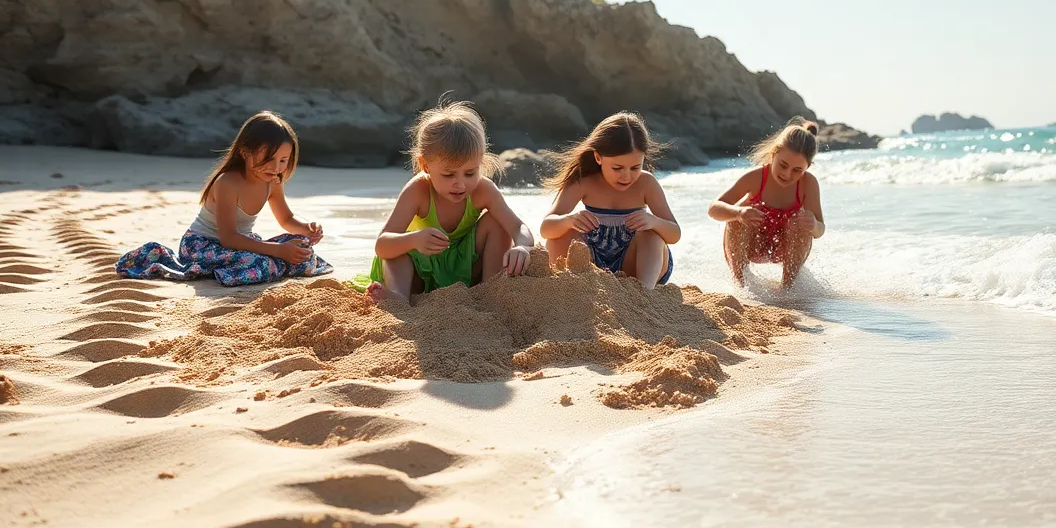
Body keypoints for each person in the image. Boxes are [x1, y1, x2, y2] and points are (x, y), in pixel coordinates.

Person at [116, 111, 332, 286]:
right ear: (245, 152)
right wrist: (277, 250)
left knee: (302, 247)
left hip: (242, 244)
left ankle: (270, 262)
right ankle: (250, 267)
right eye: (268, 158)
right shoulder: (227, 183)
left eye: (283, 160)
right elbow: (229, 238)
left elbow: (286, 219)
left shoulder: (273, 181)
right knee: (262, 262)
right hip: (203, 245)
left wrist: (307, 229)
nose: (276, 167)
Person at [359, 102, 535, 303]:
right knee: (397, 248)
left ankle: (490, 290)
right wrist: (414, 240)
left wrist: (522, 246)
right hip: (421, 274)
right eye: (448, 174)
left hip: (464, 267)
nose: (460, 184)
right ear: (425, 165)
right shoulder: (418, 191)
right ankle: (398, 298)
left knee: (497, 222)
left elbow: (518, 226)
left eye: (470, 173)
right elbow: (382, 245)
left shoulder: (483, 190)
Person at [539, 112, 680, 290]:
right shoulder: (583, 182)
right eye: (617, 168)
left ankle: (645, 293)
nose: (626, 176)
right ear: (598, 157)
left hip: (637, 264)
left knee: (651, 235)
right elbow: (546, 229)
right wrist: (569, 220)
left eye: (635, 167)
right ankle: (571, 286)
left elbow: (674, 233)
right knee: (561, 233)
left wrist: (653, 221)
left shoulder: (647, 183)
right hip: (592, 262)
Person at [709, 117, 825, 288]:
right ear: (773, 154)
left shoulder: (808, 184)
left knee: (801, 224)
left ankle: (787, 288)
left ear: (807, 167)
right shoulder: (756, 178)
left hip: (785, 246)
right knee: (737, 218)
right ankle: (741, 285)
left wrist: (813, 224)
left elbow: (820, 229)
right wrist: (738, 213)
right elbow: (713, 209)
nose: (787, 174)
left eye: (797, 170)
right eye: (783, 165)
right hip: (752, 243)